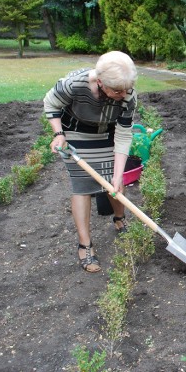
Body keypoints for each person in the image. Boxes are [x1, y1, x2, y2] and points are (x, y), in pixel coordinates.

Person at [44, 51, 137, 273]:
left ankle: (120, 218)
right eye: (117, 91)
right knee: (83, 185)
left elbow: (124, 135)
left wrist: (117, 174)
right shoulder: (73, 84)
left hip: (108, 132)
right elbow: (51, 102)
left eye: (126, 89)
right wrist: (58, 134)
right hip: (76, 132)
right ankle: (85, 245)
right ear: (100, 82)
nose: (123, 94)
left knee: (113, 181)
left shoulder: (128, 94)